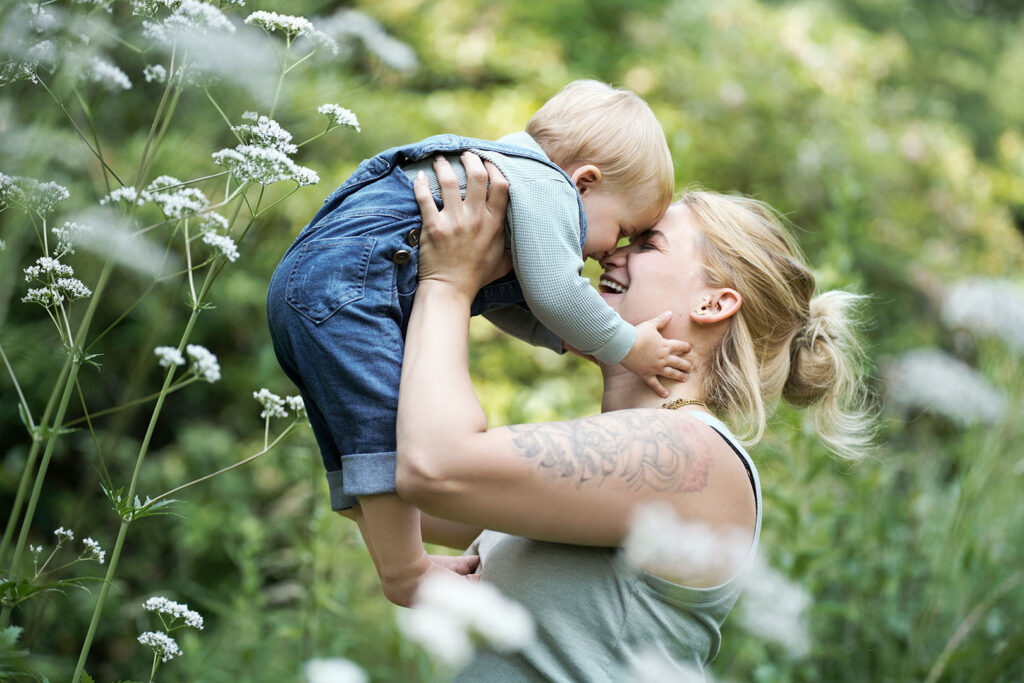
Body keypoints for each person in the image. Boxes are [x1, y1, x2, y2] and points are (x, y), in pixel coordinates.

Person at [390, 154, 873, 678]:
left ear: (713, 303)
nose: (608, 256)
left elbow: (432, 468)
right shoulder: (615, 449)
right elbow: (381, 477)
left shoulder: (695, 455)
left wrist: (450, 282)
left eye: (647, 244)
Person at [266, 81, 688, 605]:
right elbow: (556, 290)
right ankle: (405, 574)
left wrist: (563, 338)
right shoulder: (545, 187)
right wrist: (626, 344)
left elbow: (507, 301)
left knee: (359, 440)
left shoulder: (499, 176)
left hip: (310, 286)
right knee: (383, 432)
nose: (609, 253)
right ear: (584, 182)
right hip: (351, 287)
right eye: (622, 229)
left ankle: (396, 558)